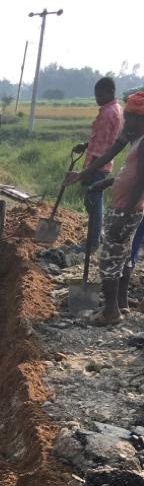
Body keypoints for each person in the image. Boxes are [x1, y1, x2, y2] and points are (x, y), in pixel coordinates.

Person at [63, 92, 144, 325]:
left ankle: (111, 311)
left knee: (110, 259)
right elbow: (125, 171)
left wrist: (125, 213)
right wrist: (104, 181)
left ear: (140, 120)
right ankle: (118, 304)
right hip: (126, 206)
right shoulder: (135, 139)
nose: (125, 122)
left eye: (129, 118)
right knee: (122, 255)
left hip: (127, 210)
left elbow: (140, 182)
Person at [75, 77, 123, 252]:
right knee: (95, 202)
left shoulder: (107, 113)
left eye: (99, 95)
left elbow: (102, 147)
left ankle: (92, 243)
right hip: (101, 164)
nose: (97, 98)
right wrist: (85, 145)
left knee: (93, 204)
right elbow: (104, 138)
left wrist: (88, 171)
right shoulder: (116, 109)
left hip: (97, 166)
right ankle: (97, 236)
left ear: (110, 92)